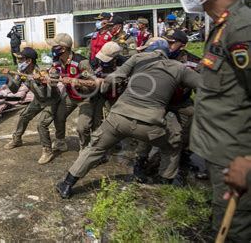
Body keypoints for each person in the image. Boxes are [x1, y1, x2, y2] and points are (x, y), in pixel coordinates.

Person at [56, 38, 200, 199]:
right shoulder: (179, 68)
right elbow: (203, 86)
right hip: (151, 124)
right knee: (173, 145)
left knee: (94, 148)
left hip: (119, 118)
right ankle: (165, 181)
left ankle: (67, 184)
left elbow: (112, 80)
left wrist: (103, 85)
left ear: (149, 49)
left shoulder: (137, 58)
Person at [173, 0, 251, 241]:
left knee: (237, 231)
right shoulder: (221, 27)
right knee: (222, 220)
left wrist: (248, 160)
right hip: (221, 153)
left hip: (237, 157)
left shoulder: (242, 30)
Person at [133, 29, 202, 183]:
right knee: (148, 129)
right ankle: (140, 161)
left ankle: (183, 155)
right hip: (158, 101)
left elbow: (201, 85)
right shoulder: (155, 57)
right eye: (166, 41)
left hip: (180, 102)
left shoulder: (193, 62)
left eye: (172, 43)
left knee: (193, 117)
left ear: (182, 46)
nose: (168, 46)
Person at [3, 48, 62, 166]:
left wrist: (41, 79)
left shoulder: (43, 71)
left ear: (29, 61)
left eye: (20, 59)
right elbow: (14, 90)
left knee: (41, 124)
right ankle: (17, 139)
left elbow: (53, 84)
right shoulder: (22, 72)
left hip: (51, 101)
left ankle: (47, 150)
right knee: (24, 116)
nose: (18, 61)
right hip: (39, 100)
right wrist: (9, 76)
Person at [49, 33, 101, 152]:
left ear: (63, 48)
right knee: (58, 116)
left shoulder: (81, 62)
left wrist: (77, 81)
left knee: (82, 128)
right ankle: (60, 142)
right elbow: (53, 80)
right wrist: (49, 77)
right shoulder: (57, 60)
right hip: (71, 96)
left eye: (54, 46)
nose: (52, 49)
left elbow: (95, 83)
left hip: (86, 98)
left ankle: (85, 149)